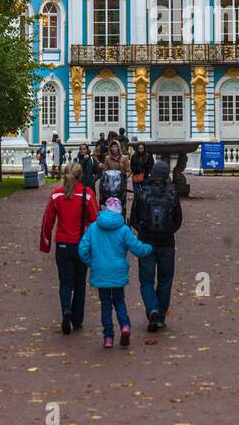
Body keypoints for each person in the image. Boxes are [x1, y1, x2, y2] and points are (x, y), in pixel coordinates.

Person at [78, 198, 152, 348]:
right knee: (119, 301)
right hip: (117, 271)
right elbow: (136, 248)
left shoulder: (93, 228)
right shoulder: (124, 230)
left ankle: (108, 337)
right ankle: (125, 326)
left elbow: (82, 249)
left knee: (105, 304)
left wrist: (91, 263)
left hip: (100, 271)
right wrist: (149, 248)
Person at [39, 162, 99, 334]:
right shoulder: (87, 195)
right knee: (80, 283)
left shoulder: (56, 196)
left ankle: (66, 310)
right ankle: (77, 319)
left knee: (65, 282)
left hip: (63, 245)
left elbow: (47, 222)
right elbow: (96, 221)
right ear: (81, 176)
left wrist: (45, 244)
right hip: (81, 245)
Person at [133, 159, 182, 331]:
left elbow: (133, 219)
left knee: (146, 280)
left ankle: (152, 309)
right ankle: (160, 315)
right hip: (167, 243)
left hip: (146, 242)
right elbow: (178, 220)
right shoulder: (172, 193)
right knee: (165, 280)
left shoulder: (141, 192)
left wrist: (142, 230)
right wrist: (168, 232)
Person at [101, 138, 131, 210]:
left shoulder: (124, 158)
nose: (113, 148)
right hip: (110, 185)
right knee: (110, 203)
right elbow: (106, 171)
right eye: (112, 146)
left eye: (115, 146)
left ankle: (122, 217)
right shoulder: (107, 158)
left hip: (121, 185)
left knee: (121, 202)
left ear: (119, 147)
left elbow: (128, 170)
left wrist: (124, 176)